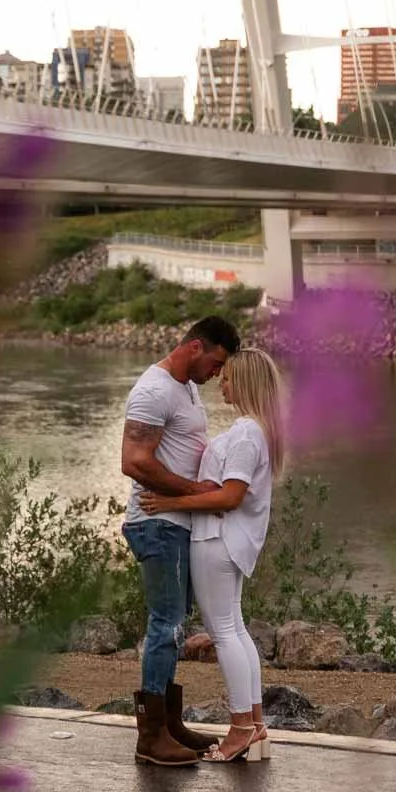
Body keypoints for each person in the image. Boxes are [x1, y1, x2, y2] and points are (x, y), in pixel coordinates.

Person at [140, 348, 286, 763]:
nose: (221, 383)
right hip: (227, 542)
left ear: (247, 383)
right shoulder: (258, 431)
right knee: (234, 630)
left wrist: (170, 503)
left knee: (224, 632)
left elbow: (231, 495)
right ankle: (255, 726)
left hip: (216, 540)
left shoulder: (245, 433)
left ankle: (241, 728)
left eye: (228, 378)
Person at [120, 315, 241, 767]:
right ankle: (149, 737)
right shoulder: (153, 391)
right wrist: (196, 493)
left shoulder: (185, 387)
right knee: (165, 623)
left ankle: (169, 723)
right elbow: (134, 461)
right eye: (216, 363)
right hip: (157, 523)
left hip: (177, 523)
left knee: (173, 624)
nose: (216, 375)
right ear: (195, 347)